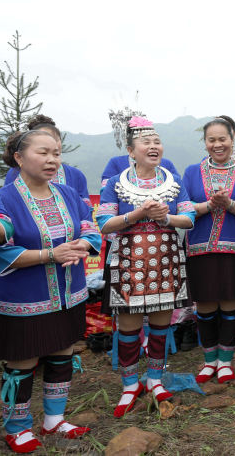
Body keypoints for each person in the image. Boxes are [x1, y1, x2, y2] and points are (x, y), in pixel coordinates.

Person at [0, 130, 101, 453]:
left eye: (56, 153)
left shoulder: (68, 194)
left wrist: (81, 244)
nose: (52, 160)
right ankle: (16, 427)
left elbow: (90, 227)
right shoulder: (6, 198)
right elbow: (4, 243)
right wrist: (50, 255)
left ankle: (53, 419)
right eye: (43, 153)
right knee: (23, 361)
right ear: (18, 157)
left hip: (69, 294)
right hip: (25, 299)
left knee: (62, 352)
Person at [96, 116, 196, 418]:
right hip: (128, 262)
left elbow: (189, 218)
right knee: (129, 327)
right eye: (146, 143)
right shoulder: (116, 183)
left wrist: (166, 218)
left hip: (166, 260)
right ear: (131, 150)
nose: (154, 147)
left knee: (161, 325)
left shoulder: (173, 182)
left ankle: (154, 379)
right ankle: (129, 385)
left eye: (157, 142)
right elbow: (104, 224)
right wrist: (138, 213)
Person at [183, 117, 235, 384]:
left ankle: (225, 360)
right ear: (205, 143)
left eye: (222, 139)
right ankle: (208, 358)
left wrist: (230, 204)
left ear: (232, 138)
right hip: (200, 247)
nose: (217, 144)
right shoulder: (192, 171)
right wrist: (208, 206)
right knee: (205, 304)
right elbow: (182, 207)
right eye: (211, 140)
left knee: (231, 303)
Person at [4, 115, 91, 207]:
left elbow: (85, 211)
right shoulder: (14, 174)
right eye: (43, 153)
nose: (49, 142)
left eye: (54, 139)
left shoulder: (75, 177)